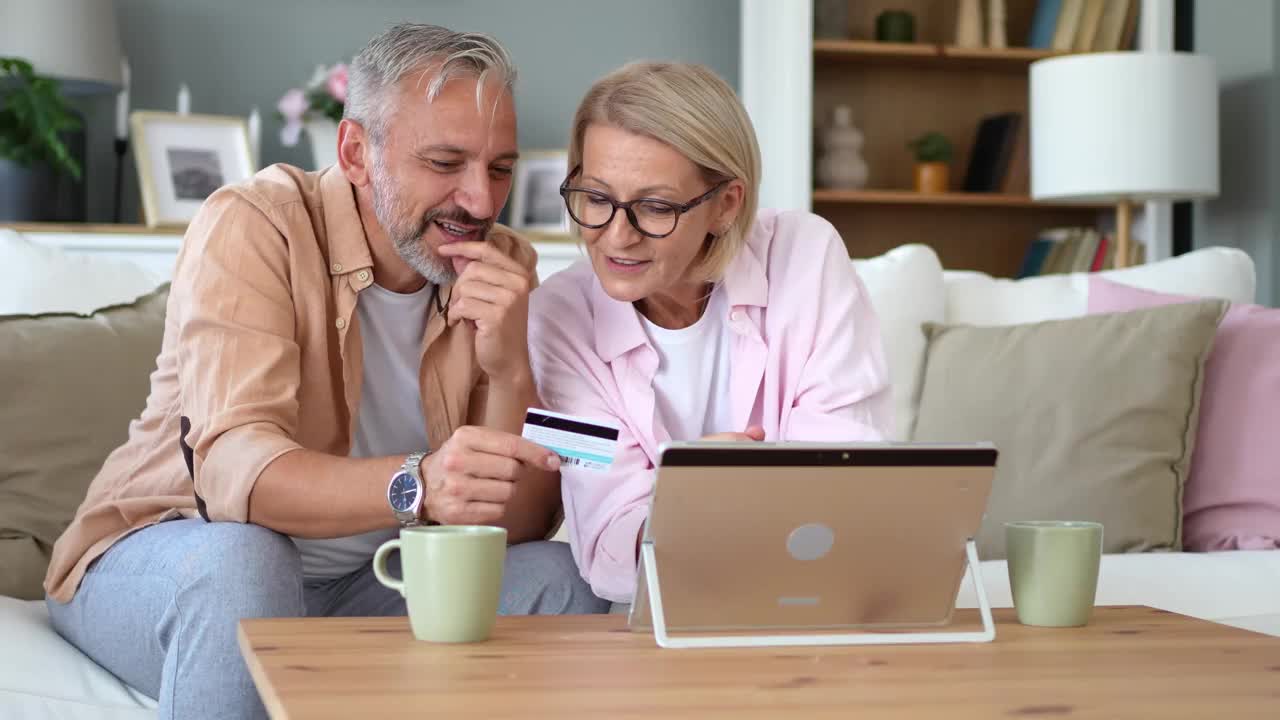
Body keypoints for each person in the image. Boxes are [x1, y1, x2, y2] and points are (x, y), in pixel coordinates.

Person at [43, 23, 609, 720]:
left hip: (367, 585)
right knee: (249, 564)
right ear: (355, 152)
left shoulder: (504, 268)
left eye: (499, 168)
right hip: (163, 559)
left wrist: (511, 370)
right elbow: (234, 474)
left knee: (558, 578)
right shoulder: (256, 225)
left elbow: (507, 531)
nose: (481, 202)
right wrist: (420, 483)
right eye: (445, 162)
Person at [527, 62, 893, 605]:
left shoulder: (806, 256)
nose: (616, 237)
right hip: (655, 620)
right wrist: (691, 488)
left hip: (815, 603)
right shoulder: (555, 317)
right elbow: (607, 558)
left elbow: (852, 488)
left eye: (654, 207)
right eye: (596, 199)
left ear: (725, 204)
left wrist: (701, 503)